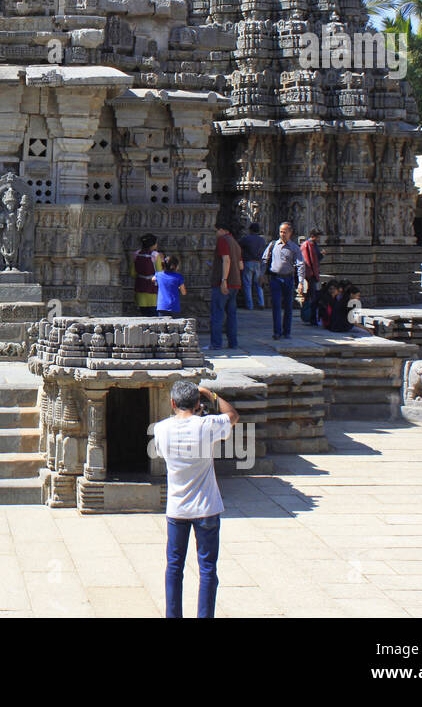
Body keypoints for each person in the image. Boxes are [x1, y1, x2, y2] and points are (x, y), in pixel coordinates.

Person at [153, 379, 239, 619]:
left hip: (177, 508)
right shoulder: (207, 425)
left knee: (174, 567)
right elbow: (232, 415)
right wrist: (210, 394)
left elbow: (161, 452)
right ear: (197, 402)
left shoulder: (161, 429)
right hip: (206, 507)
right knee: (208, 569)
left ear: (172, 403)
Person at [261, 222, 306, 340]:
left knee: (288, 306)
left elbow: (300, 264)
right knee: (276, 305)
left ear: (290, 233)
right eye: (281, 231)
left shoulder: (294, 248)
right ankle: (277, 332)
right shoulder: (273, 245)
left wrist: (301, 282)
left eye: (285, 232)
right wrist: (263, 274)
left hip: (288, 278)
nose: (282, 234)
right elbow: (265, 259)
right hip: (275, 278)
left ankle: (287, 332)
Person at [209, 220, 242, 351]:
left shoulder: (223, 240)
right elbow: (240, 265)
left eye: (216, 231)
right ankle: (233, 343)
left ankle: (216, 343)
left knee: (217, 314)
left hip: (223, 283)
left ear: (222, 230)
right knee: (231, 315)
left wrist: (224, 280)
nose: (216, 234)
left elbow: (226, 260)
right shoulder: (236, 243)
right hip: (235, 283)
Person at [130, 234, 163, 316]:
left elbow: (132, 273)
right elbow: (159, 272)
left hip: (140, 288)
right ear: (153, 244)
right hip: (153, 290)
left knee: (143, 314)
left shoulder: (136, 254)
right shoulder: (155, 255)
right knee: (154, 315)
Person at [238, 222, 267, 310]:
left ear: (250, 230)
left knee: (247, 284)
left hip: (248, 262)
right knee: (258, 284)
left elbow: (238, 246)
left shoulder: (246, 239)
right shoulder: (262, 240)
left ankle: (249, 305)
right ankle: (261, 302)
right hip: (258, 263)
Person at [300, 229, 324, 325]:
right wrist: (311, 274)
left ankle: (312, 317)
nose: (319, 239)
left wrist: (321, 255)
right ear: (314, 236)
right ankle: (310, 317)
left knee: (312, 296)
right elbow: (306, 261)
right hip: (310, 274)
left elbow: (316, 258)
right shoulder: (307, 245)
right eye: (318, 237)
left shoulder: (314, 245)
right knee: (312, 297)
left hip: (313, 273)